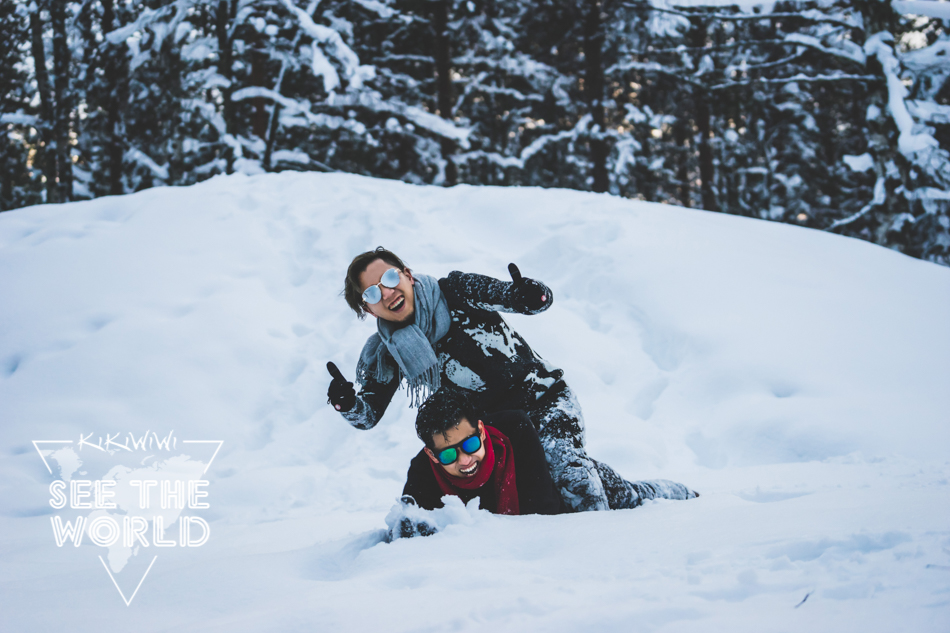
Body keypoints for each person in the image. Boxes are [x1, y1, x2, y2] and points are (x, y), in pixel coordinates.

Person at [327, 247, 695, 512]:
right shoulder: (387, 351)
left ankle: (615, 540)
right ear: (366, 307)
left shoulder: (454, 290)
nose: (387, 292)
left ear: (407, 274)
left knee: (573, 481)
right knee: (563, 491)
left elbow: (517, 298)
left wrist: (530, 295)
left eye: (391, 278)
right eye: (373, 292)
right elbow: (368, 415)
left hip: (545, 402)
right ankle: (644, 496)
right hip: (498, 434)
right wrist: (347, 403)